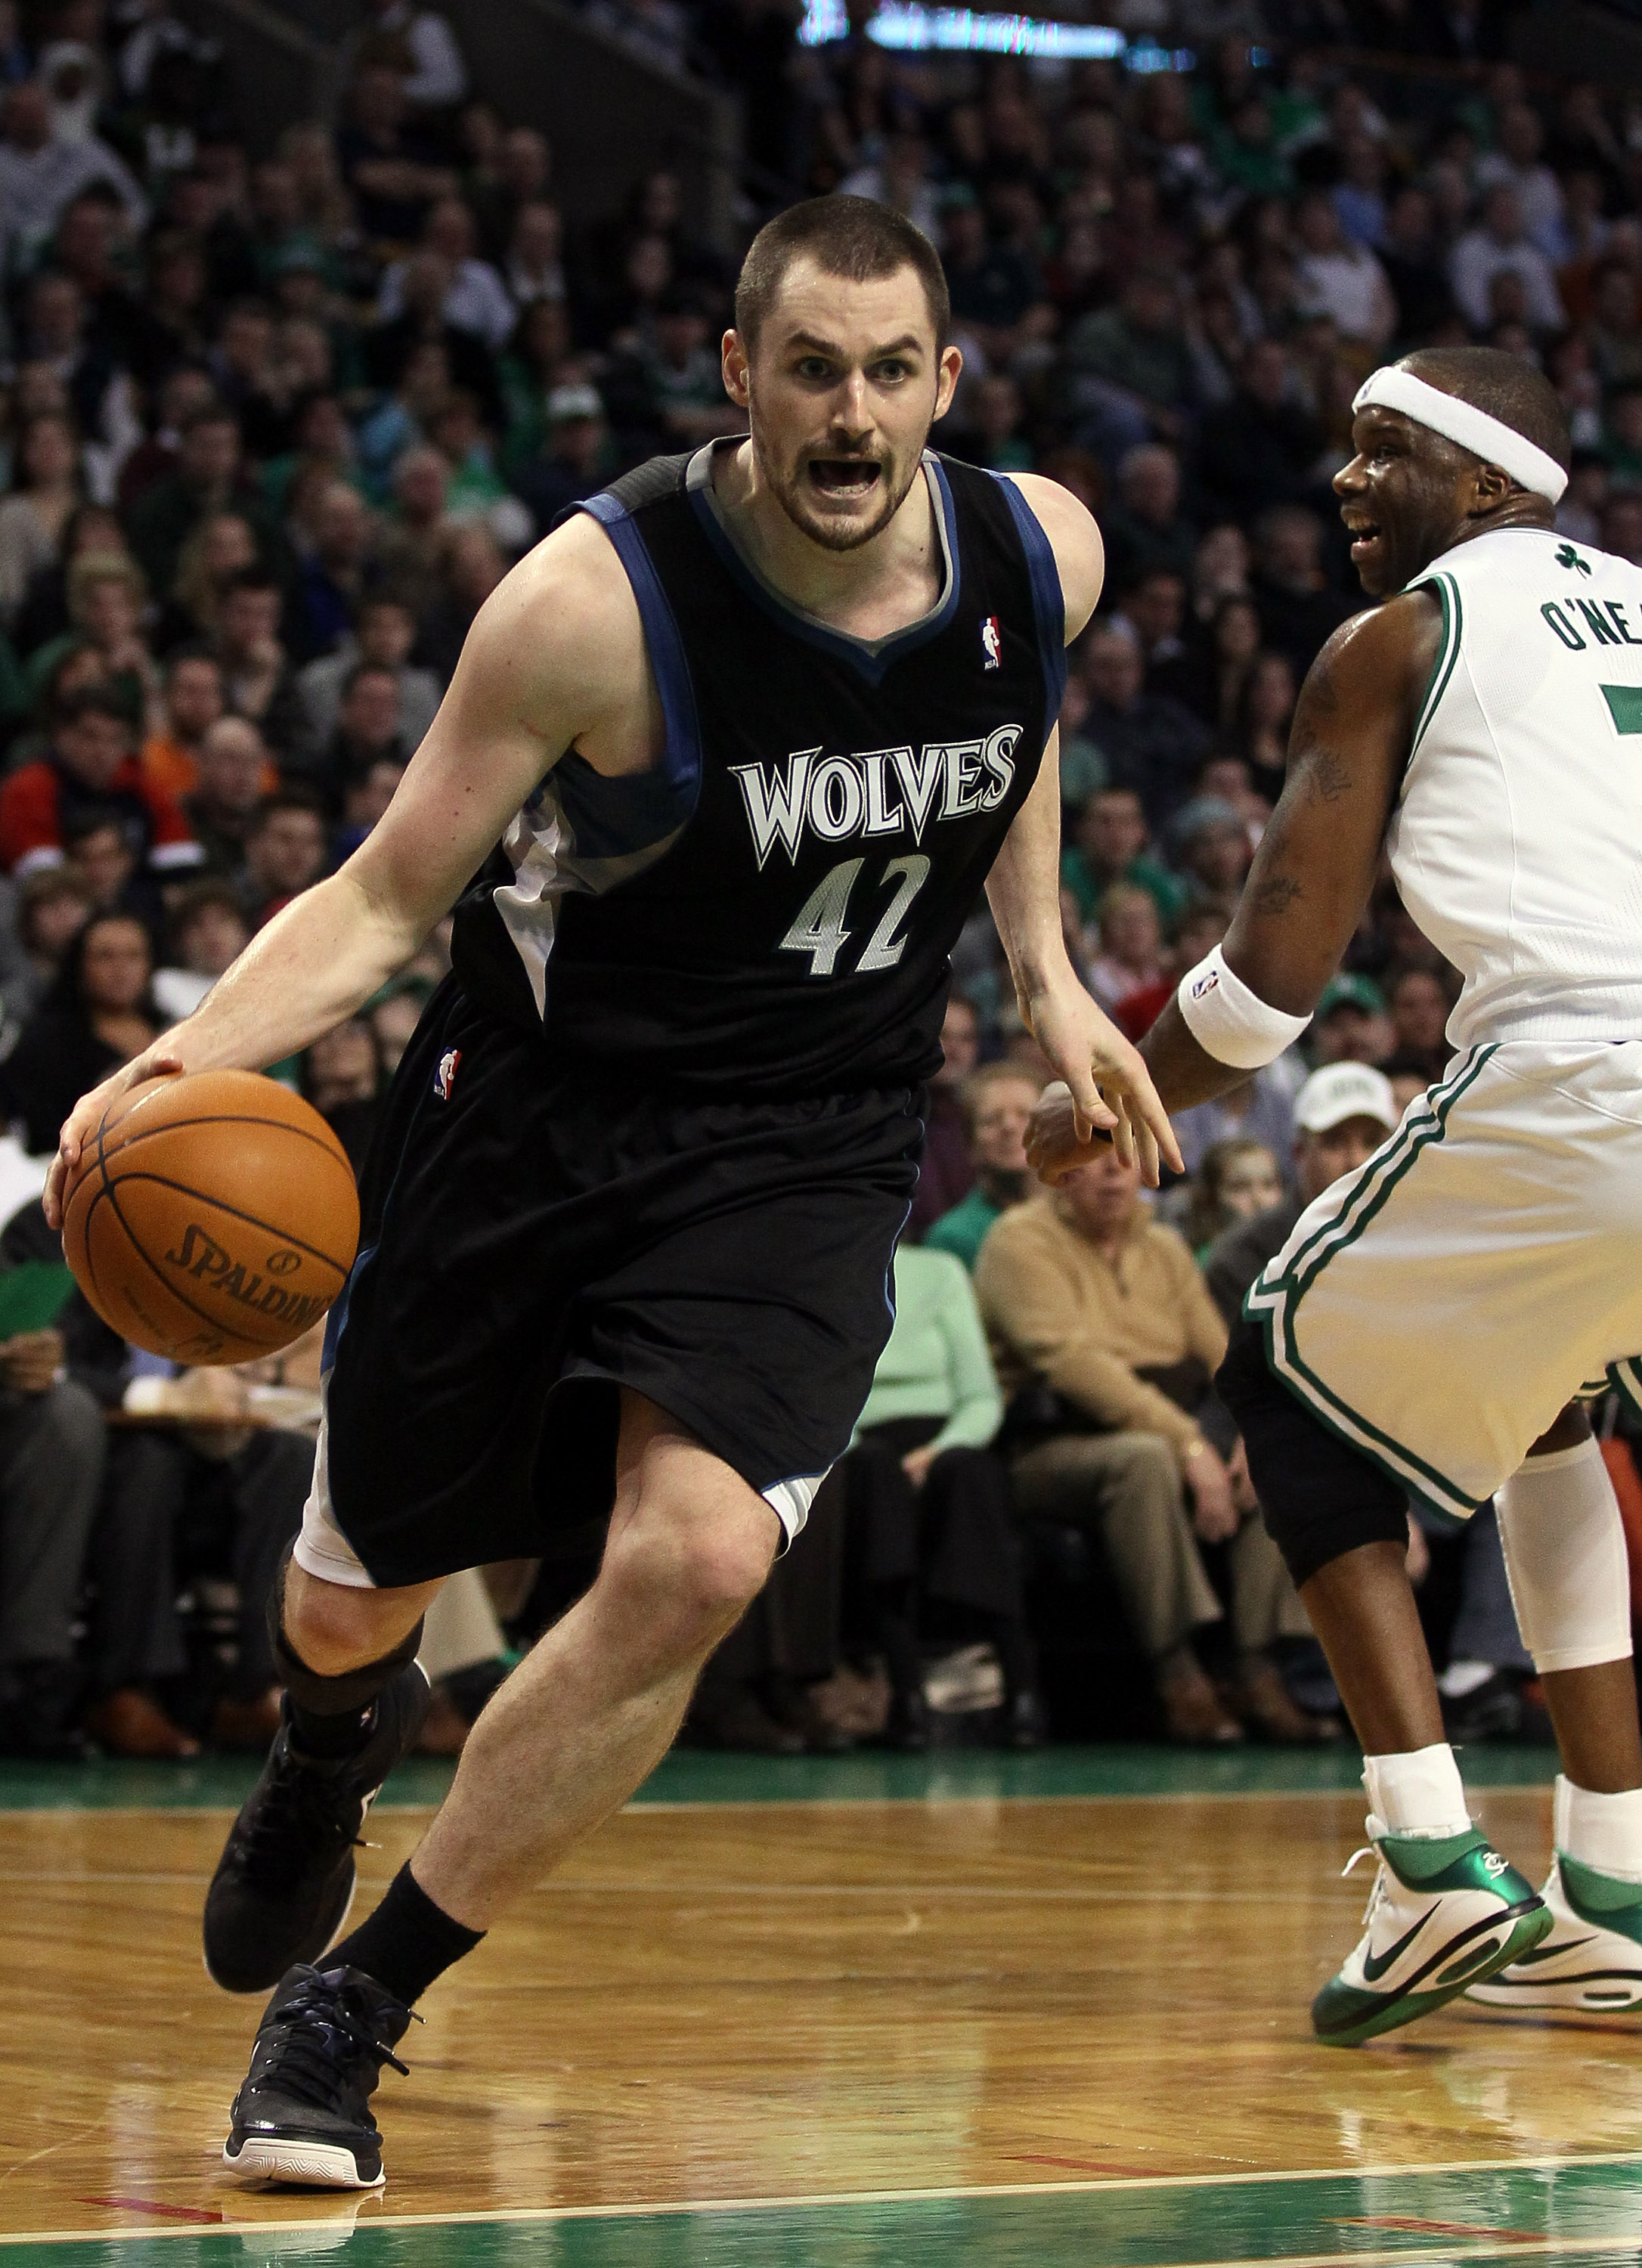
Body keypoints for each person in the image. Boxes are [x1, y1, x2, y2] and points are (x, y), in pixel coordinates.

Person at [46, 193, 1173, 2189]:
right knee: (344, 1605)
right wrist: (179, 1056)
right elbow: (385, 896)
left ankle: (354, 2006)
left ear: (945, 380)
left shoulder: (1039, 550)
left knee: (701, 1560)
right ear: (738, 374)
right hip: (538, 1123)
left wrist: (1046, 971)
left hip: (810, 1140)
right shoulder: (591, 604)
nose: (851, 416)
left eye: (887, 373)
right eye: (809, 371)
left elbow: (1012, 734)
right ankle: (329, 1743)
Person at [1030, 345, 1642, 2044]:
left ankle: (1432, 1858)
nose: (1348, 481)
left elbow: (1265, 991)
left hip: (1587, 1070)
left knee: (1283, 1388)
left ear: (1491, 481)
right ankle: (1612, 1892)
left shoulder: (1403, 637)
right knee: (1550, 1415)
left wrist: (1106, 1097)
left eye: (1386, 450)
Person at [977, 1145, 1319, 1746]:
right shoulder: (1018, 1242)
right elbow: (1072, 1364)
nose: (1114, 1171)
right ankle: (1177, 1672)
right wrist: (1189, 1443)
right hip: (1055, 1443)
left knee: (1272, 1452)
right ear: (1061, 1167)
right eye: (1094, 1155)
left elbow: (1224, 1359)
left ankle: (1254, 1665)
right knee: (1145, 1460)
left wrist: (1250, 1429)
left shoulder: (1164, 1246)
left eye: (1124, 1156)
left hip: (1172, 1425)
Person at [925, 1061, 1041, 1272]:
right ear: (969, 1143)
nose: (1009, 1127)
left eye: (1025, 1115)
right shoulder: (952, 1238)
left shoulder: (1081, 1218)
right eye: (992, 1120)